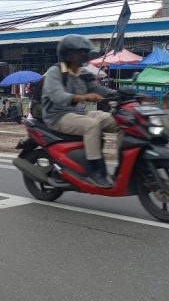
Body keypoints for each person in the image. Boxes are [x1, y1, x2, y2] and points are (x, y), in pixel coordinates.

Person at [42, 34, 117, 188]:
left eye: (84, 51)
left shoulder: (82, 72)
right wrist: (83, 97)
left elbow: (100, 89)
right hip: (58, 116)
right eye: (79, 52)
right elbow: (57, 96)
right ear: (67, 54)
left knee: (120, 120)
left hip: (77, 113)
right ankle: (96, 171)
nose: (83, 54)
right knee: (92, 125)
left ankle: (122, 167)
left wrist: (124, 94)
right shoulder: (55, 72)